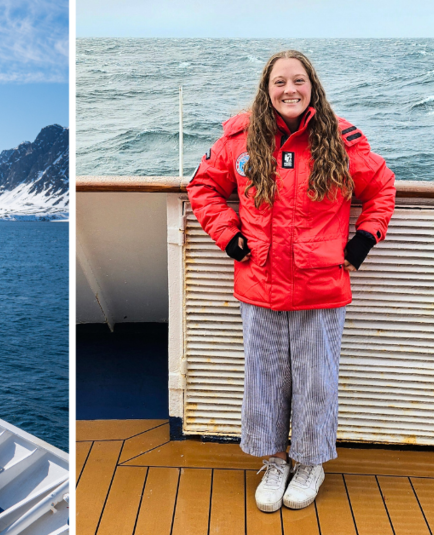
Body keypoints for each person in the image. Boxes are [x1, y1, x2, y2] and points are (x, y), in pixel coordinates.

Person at [187, 50, 395, 512]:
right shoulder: (239, 140)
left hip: (321, 285)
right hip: (259, 283)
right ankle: (274, 460)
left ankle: (310, 463)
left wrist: (364, 239)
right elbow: (202, 187)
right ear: (267, 89)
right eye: (279, 82)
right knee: (263, 378)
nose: (289, 90)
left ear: (312, 86)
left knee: (317, 380)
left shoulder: (340, 140)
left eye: (297, 80)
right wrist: (229, 236)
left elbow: (382, 187)